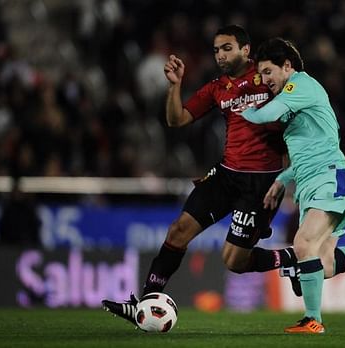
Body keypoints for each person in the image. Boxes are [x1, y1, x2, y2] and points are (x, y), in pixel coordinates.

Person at [102, 25, 298, 326]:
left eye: (227, 48)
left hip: (261, 182)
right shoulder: (217, 87)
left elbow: (292, 121)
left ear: (246, 50)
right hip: (226, 175)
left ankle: (290, 259)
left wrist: (285, 177)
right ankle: (145, 302)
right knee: (178, 230)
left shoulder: (267, 76)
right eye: (217, 50)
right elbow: (176, 119)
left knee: (235, 261)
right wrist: (174, 85)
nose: (220, 55)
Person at [236, 37, 345, 334]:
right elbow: (309, 151)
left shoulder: (300, 85)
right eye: (261, 73)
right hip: (313, 183)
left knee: (303, 243)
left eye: (268, 71)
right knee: (325, 264)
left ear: (287, 66)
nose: (264, 79)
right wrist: (283, 179)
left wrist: (237, 109)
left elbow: (264, 114)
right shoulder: (293, 100)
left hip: (332, 177)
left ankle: (312, 320)